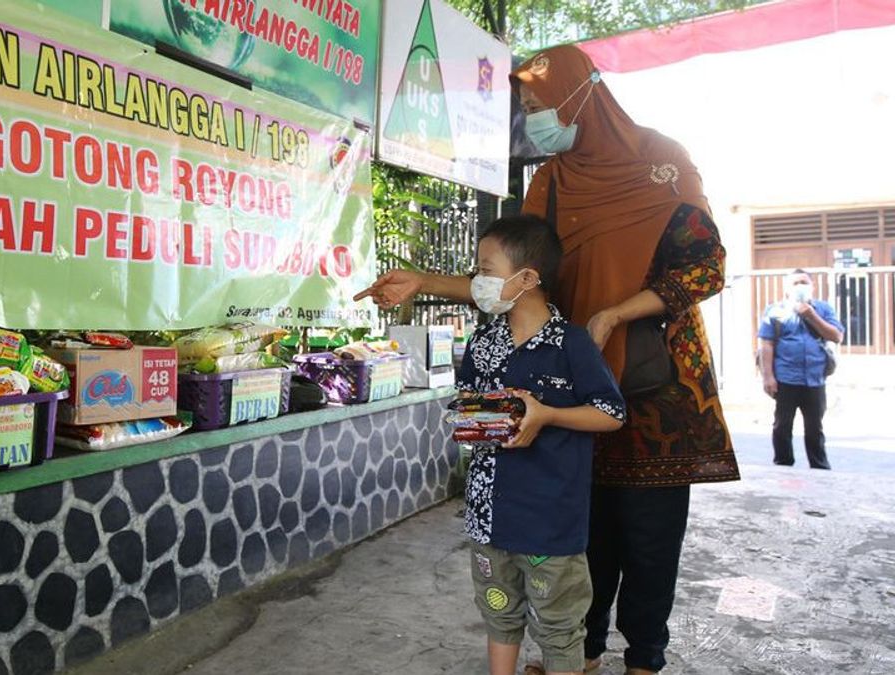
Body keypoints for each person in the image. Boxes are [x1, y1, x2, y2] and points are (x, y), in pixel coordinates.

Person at [355, 44, 739, 674]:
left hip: (655, 387)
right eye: (528, 107)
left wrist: (617, 313)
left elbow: (707, 266)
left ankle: (645, 657)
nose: (535, 120)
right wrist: (423, 281)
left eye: (538, 105)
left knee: (650, 538)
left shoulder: (662, 161)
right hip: (565, 382)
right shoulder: (552, 179)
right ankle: (580, 653)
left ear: (579, 94)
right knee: (582, 531)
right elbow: (517, 273)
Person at [457, 215, 626, 675]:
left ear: (527, 278)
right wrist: (479, 418)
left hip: (551, 520)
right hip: (488, 515)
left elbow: (611, 414)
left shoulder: (571, 344)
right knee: (499, 614)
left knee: (558, 624)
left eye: (486, 270)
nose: (478, 282)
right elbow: (468, 409)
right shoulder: (482, 342)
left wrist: (547, 414)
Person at [757, 269, 844, 470]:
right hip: (786, 378)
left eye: (804, 282)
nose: (800, 286)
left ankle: (819, 466)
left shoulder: (823, 309)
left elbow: (836, 336)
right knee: (782, 426)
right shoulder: (775, 311)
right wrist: (767, 376)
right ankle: (783, 464)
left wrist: (811, 315)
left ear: (812, 286)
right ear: (787, 288)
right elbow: (766, 344)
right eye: (795, 283)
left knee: (815, 428)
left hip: (814, 379)